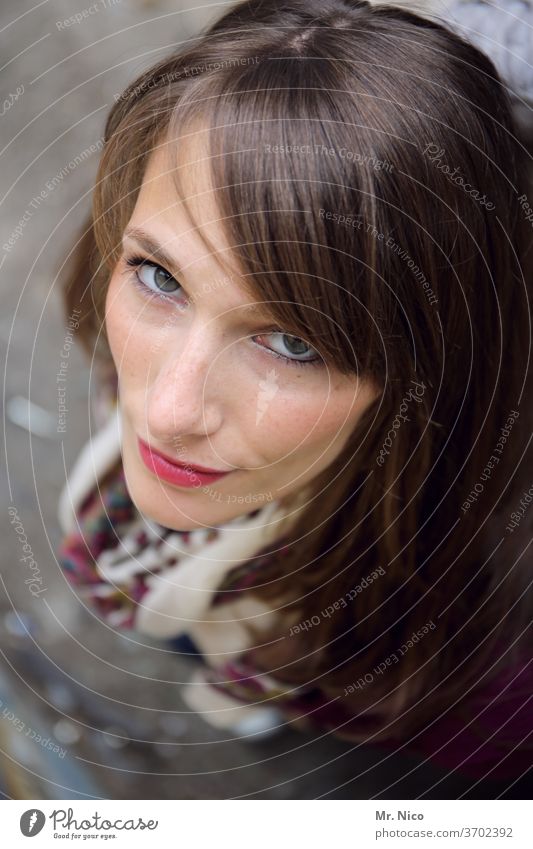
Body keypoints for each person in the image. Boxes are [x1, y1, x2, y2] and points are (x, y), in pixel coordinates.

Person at [56, 0, 533, 785]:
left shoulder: (478, 685)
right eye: (160, 276)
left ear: (430, 378)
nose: (168, 412)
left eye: (293, 342)